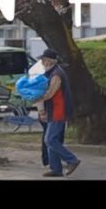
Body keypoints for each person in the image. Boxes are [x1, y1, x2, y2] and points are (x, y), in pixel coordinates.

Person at [35, 49, 80, 177]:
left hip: (58, 110)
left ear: (49, 61)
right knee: (52, 140)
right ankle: (56, 168)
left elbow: (50, 94)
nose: (42, 62)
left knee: (49, 140)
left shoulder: (56, 75)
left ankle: (72, 160)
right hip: (54, 110)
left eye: (43, 60)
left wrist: (37, 96)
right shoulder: (53, 73)